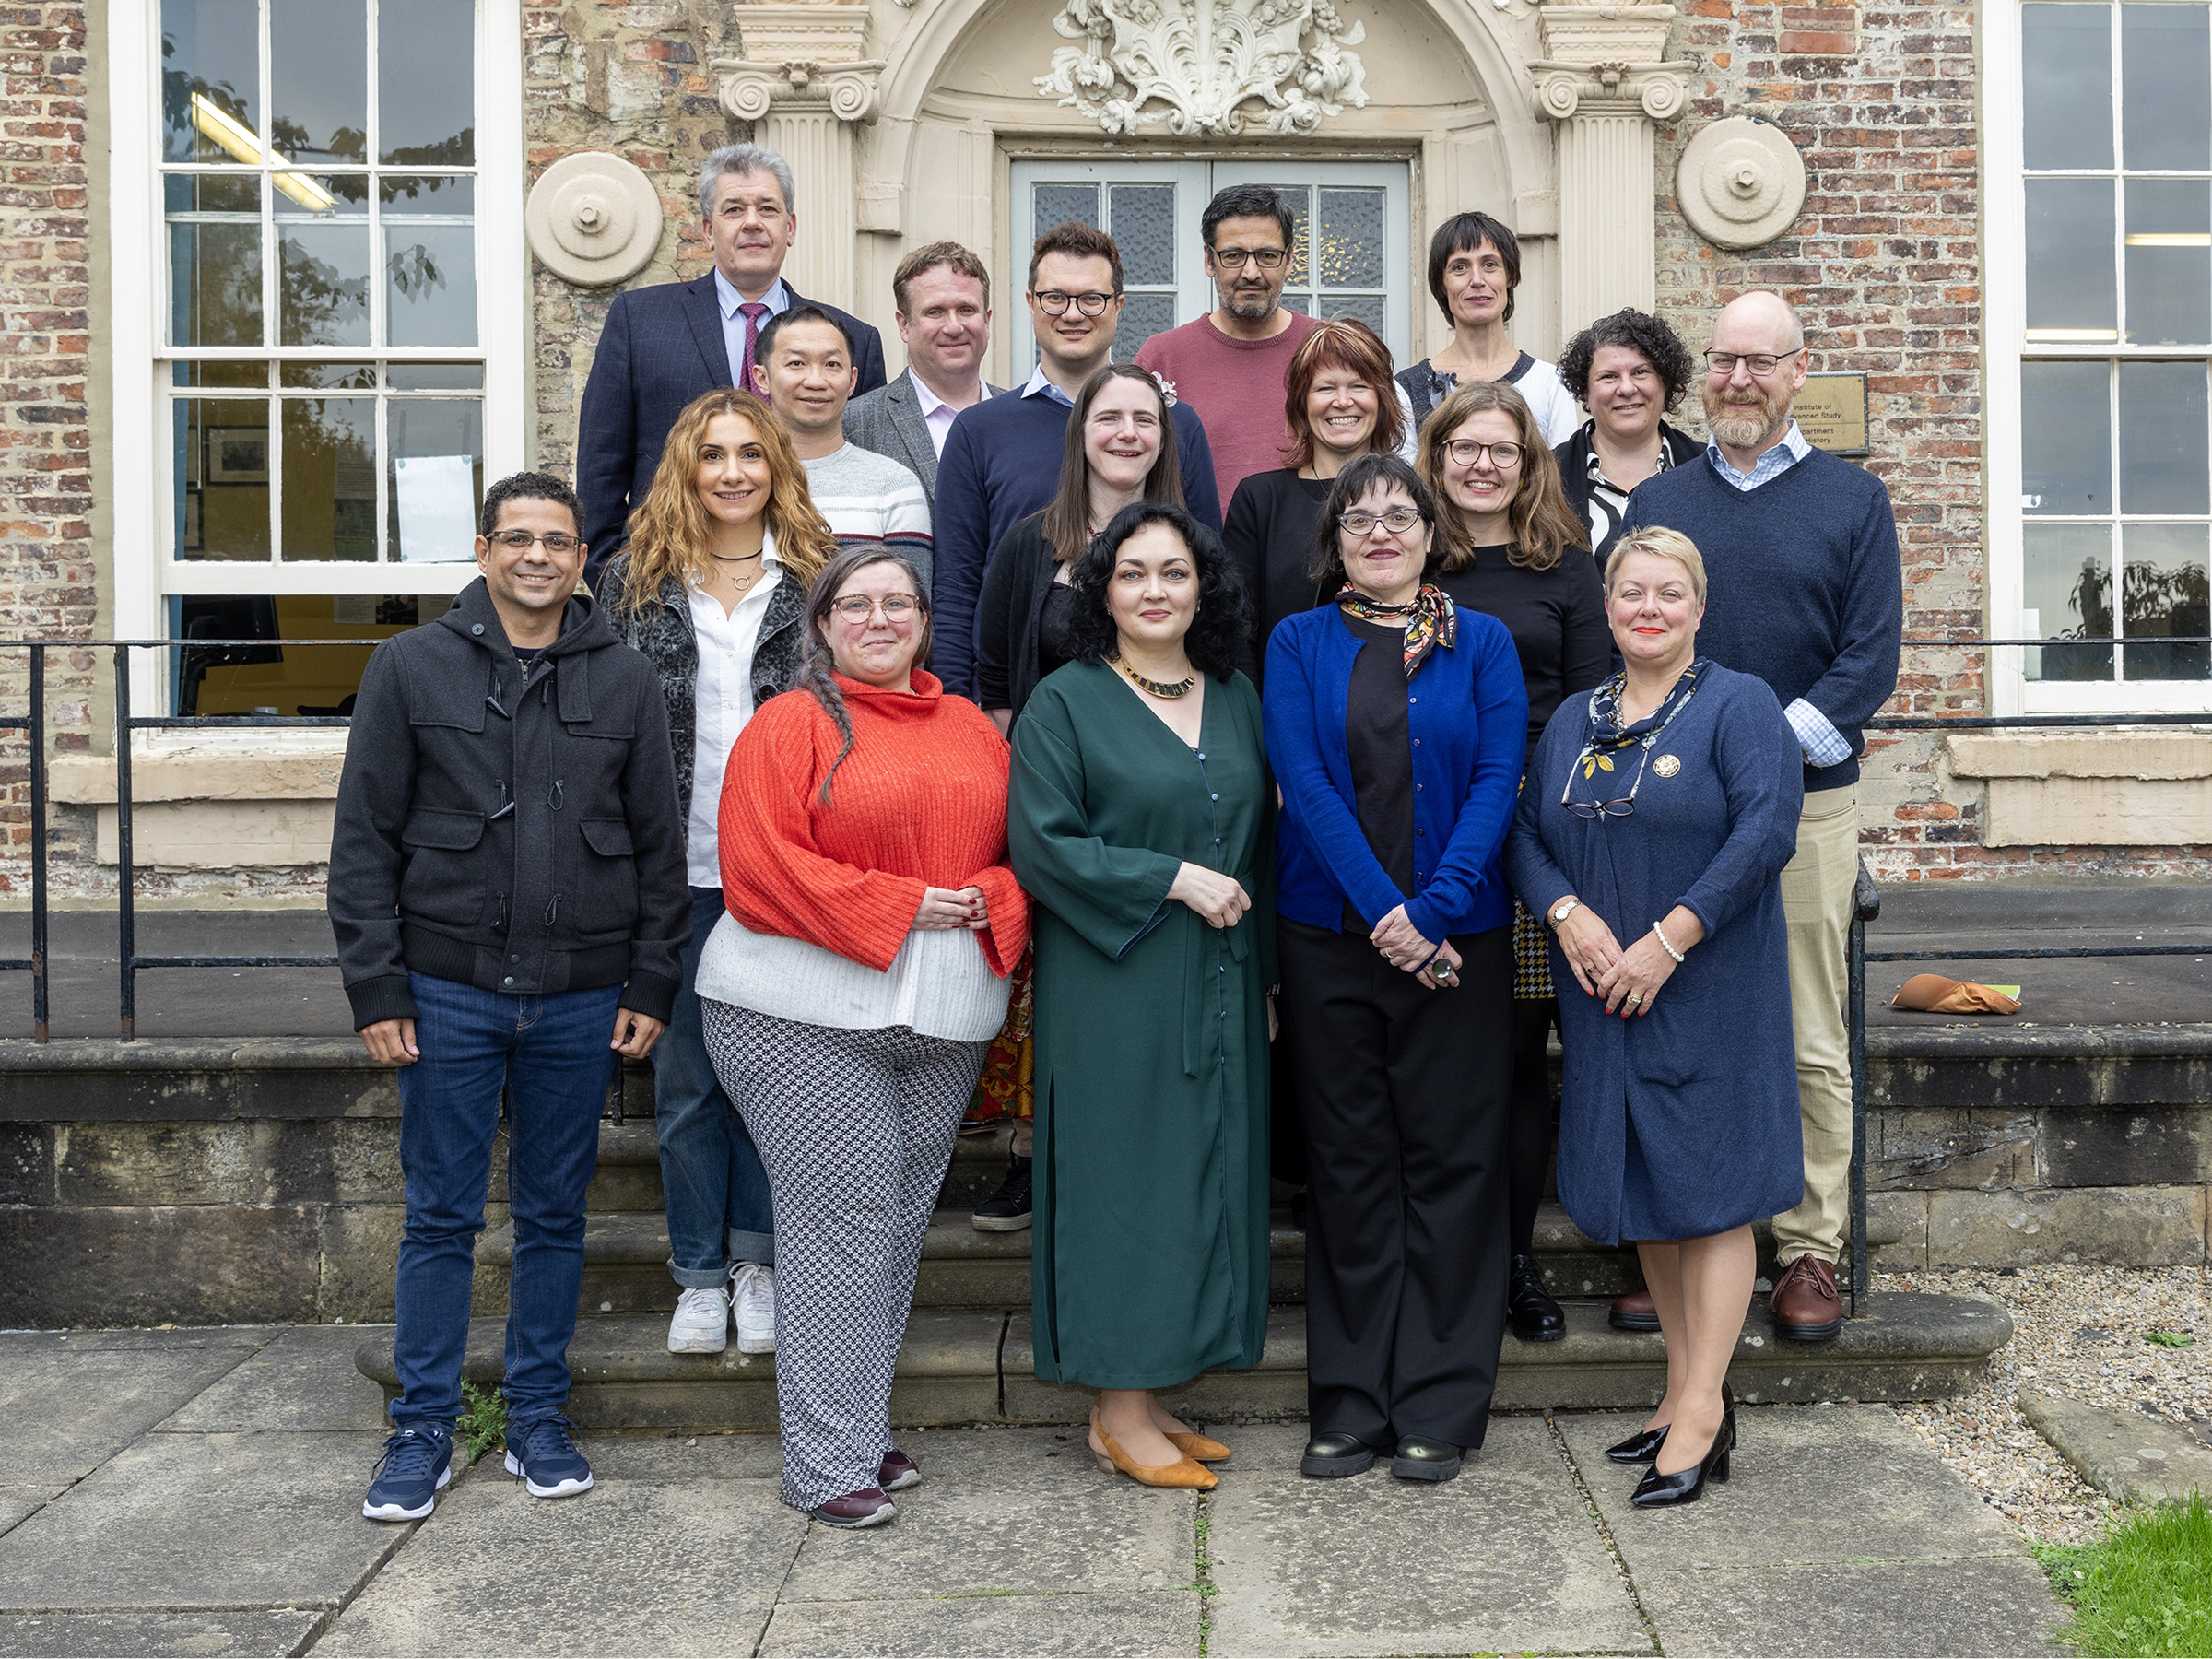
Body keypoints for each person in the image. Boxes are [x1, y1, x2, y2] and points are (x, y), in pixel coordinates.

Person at [331, 472, 688, 1521]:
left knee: (554, 1215)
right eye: (518, 538)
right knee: (440, 1215)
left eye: (558, 541)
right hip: (446, 990)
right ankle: (422, 1428)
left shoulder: (624, 677)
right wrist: (377, 988)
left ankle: (537, 1414)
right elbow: (362, 843)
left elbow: (660, 846)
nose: (539, 556)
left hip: (581, 993)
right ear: (484, 551)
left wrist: (651, 977)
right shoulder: (407, 667)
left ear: (582, 561)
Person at [700, 548, 1029, 1528]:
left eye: (898, 603)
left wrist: (992, 894)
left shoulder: (974, 729)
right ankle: (824, 1464)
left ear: (925, 621)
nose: (879, 619)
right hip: (797, 1013)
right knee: (841, 1227)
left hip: (942, 1019)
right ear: (823, 624)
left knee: (890, 1229)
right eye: (856, 604)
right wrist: (906, 903)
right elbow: (757, 865)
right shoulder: (789, 723)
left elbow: (1022, 853)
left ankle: (853, 1426)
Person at [1618, 290, 1903, 1345]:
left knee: (1807, 1031)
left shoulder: (1853, 502)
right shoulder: (1663, 498)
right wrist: (1700, 763)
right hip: (1678, 812)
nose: (1739, 380)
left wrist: (1752, 751)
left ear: (1798, 370)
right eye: (1725, 361)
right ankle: (1689, 1236)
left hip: (1809, 811)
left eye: (1761, 361)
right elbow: (1640, 637)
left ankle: (1809, 1248)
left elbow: (1868, 661)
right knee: (1686, 1022)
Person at [1505, 527, 1805, 1507]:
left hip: (1707, 985)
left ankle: (1707, 1410)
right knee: (1653, 1189)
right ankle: (1678, 1395)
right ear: (1607, 607)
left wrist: (1670, 939)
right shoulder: (1575, 719)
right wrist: (1568, 913)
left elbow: (1765, 832)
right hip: (1607, 992)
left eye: (1669, 593)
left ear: (1699, 609)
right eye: (1632, 591)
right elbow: (1525, 834)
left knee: (1710, 1191)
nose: (1649, 609)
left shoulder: (1738, 705)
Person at [1265, 453, 1527, 1486]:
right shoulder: (1298, 642)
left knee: (1454, 1168)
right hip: (1331, 941)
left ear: (1431, 533)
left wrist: (1434, 910)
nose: (1380, 532)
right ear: (1335, 542)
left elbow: (1499, 779)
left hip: (1461, 940)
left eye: (1399, 516)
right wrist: (1388, 915)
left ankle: (1439, 1404)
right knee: (1349, 1168)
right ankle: (1350, 1402)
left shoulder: (1484, 641)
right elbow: (1306, 785)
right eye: (1358, 519)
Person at [1009, 502, 1271, 1494]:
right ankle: (1117, 1411)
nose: (1154, 591)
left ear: (1204, 588)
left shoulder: (1235, 695)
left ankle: (1148, 1392)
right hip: (1114, 977)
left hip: (1222, 974)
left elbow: (1262, 848)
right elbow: (1043, 844)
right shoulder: (1064, 702)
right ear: (1102, 592)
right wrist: (1172, 878)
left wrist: (1268, 978)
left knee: (1201, 1172)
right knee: (1124, 1180)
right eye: (1132, 573)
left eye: (1174, 572)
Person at [596, 388, 841, 1359]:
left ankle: (759, 1265)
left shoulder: (820, 576)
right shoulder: (631, 582)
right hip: (679, 871)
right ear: (685, 470)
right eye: (712, 454)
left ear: (776, 465)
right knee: (690, 1081)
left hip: (789, 870)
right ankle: (699, 1276)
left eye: (750, 453)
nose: (732, 472)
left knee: (771, 1085)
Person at [1415, 378, 1607, 1347]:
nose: (1483, 465)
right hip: (1431, 836)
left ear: (1529, 463)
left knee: (1522, 1055)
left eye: (1503, 449)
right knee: (1449, 1056)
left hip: (1536, 837)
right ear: (1437, 457)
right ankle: (1444, 1260)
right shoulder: (1407, 559)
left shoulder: (1566, 568)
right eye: (1465, 448)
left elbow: (1593, 708)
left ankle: (1516, 1260)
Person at [931, 221, 1223, 699]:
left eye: (1091, 299)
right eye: (1055, 298)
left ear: (1118, 306)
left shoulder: (1174, 424)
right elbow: (956, 587)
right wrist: (957, 709)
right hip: (1021, 696)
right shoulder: (979, 430)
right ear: (1030, 303)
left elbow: (1211, 570)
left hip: (1166, 694)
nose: (1072, 314)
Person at [577, 142, 887, 589]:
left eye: (767, 209)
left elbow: (864, 469)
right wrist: (616, 585)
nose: (752, 222)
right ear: (708, 230)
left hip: (811, 580)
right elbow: (600, 470)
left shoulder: (852, 340)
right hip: (667, 579)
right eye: (734, 209)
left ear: (790, 227)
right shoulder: (639, 321)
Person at [1222, 317, 1408, 687]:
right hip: (1284, 703)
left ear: (1382, 399)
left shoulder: (1412, 500)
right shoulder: (1260, 501)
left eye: (1359, 385)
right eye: (1325, 388)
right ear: (1301, 404)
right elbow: (1237, 631)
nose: (1343, 401)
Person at [1133, 184, 1322, 507]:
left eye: (1267, 256)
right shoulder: (1162, 358)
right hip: (1191, 540)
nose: (1251, 272)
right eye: (1233, 256)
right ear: (1209, 260)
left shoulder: (1327, 347)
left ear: (1289, 260)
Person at [752, 303, 935, 589]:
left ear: (852, 381)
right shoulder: (736, 481)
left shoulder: (895, 486)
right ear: (762, 378)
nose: (816, 381)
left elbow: (909, 604)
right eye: (796, 364)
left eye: (832, 365)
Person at [843, 241, 1007, 516]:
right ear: (904, 325)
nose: (954, 327)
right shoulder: (856, 425)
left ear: (987, 320)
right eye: (935, 312)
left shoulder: (1023, 417)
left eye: (966, 310)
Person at [1395, 213, 1578, 446]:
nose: (1477, 280)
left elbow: (1563, 469)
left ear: (1511, 276)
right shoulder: (1407, 388)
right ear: (1441, 284)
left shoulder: (1550, 383)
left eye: (1490, 265)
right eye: (1460, 267)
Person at [1553, 309, 1704, 566]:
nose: (1626, 388)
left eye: (1640, 372)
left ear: (1665, 382)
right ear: (1584, 391)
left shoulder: (1708, 467)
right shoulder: (1546, 475)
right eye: (1609, 376)